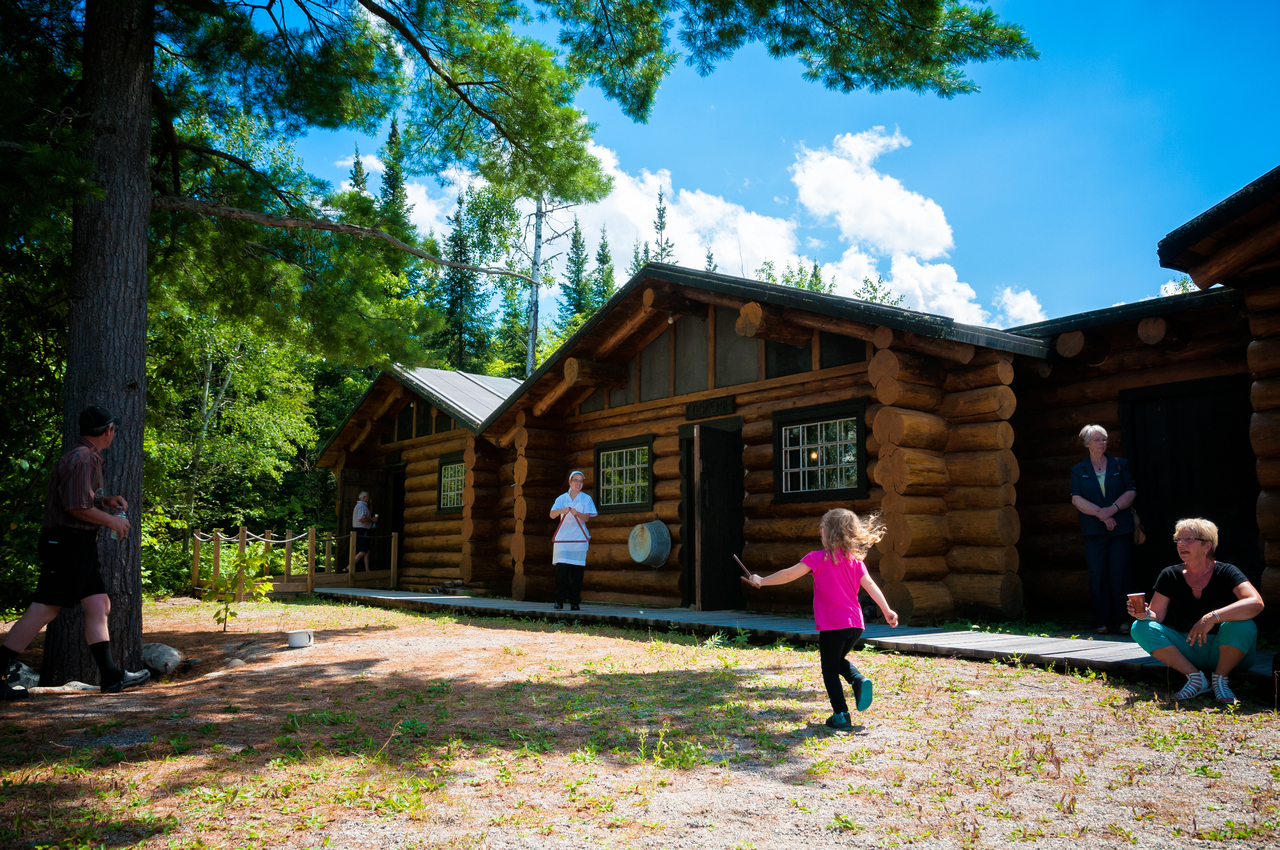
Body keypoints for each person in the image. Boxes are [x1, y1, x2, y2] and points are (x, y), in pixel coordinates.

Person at [1, 407, 150, 700]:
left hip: (78, 545)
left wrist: (105, 502)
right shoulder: (82, 459)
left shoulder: (84, 456)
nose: (115, 434)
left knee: (98, 603)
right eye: (114, 429)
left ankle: (111, 676)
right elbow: (75, 507)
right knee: (46, 608)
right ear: (108, 430)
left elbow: (83, 499)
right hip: (66, 543)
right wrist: (113, 520)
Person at [744, 509, 899, 731]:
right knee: (835, 662)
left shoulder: (817, 558)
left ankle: (842, 715)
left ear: (826, 533)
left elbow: (789, 574)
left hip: (833, 625)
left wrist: (762, 580)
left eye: (822, 529)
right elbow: (871, 586)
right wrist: (887, 610)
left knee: (829, 670)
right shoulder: (855, 561)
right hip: (855, 625)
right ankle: (858, 680)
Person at [1128, 518, 1264, 704]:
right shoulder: (1170, 574)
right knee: (1140, 627)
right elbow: (1156, 615)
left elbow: (1256, 603)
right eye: (1178, 540)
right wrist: (1143, 614)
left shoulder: (1227, 572)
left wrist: (1212, 617)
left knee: (1244, 623)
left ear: (1207, 545)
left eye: (1188, 539)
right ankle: (1196, 679)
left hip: (1228, 651)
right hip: (1188, 649)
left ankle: (1220, 679)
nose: (1181, 544)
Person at [1070, 424, 1137, 635]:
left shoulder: (1120, 464)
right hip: (1094, 531)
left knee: (1120, 574)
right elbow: (1076, 498)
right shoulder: (1078, 470)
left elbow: (1131, 491)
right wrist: (1101, 514)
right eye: (1098, 439)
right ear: (1087, 443)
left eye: (1105, 439)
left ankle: (1125, 620)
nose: (1103, 443)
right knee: (1098, 575)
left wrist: (1112, 509)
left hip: (1120, 529)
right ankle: (1102, 621)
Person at [549, 470, 597, 611]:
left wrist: (578, 514)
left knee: (577, 574)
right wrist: (561, 511)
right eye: (575, 480)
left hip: (579, 540)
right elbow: (551, 514)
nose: (578, 483)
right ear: (570, 482)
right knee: (561, 572)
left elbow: (587, 518)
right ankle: (559, 601)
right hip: (563, 540)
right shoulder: (561, 499)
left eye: (581, 481)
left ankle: (574, 602)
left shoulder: (586, 499)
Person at [349, 491, 376, 572]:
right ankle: (348, 568)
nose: (368, 498)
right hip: (361, 530)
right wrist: (372, 519)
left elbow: (367, 515)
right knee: (362, 552)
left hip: (364, 530)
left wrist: (370, 505)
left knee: (368, 550)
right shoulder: (361, 506)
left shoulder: (364, 506)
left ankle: (367, 570)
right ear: (364, 497)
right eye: (367, 496)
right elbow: (361, 519)